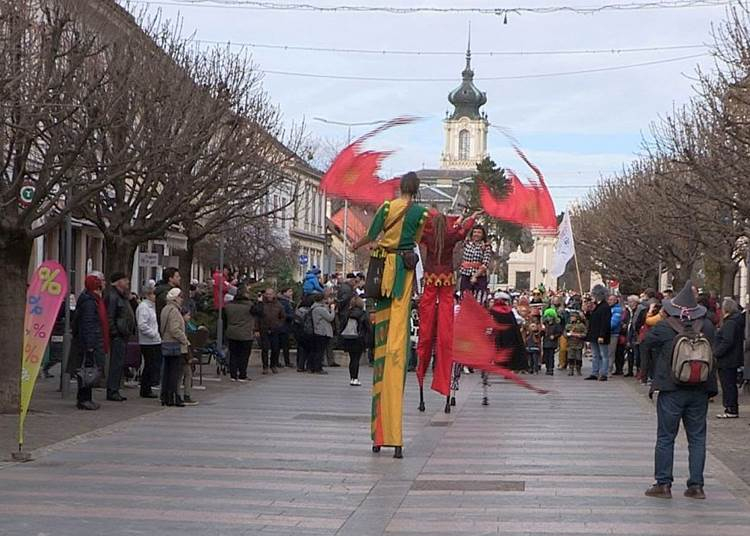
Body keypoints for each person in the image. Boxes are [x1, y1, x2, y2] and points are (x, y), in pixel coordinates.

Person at [352, 171, 428, 459]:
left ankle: (380, 433)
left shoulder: (386, 207)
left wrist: (357, 245)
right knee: (397, 343)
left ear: (400, 188)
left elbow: (372, 235)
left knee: (383, 347)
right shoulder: (420, 212)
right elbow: (416, 241)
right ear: (417, 189)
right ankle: (394, 435)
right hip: (403, 279)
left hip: (383, 274)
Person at [642, 280, 717, 500]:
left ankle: (663, 484)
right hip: (700, 388)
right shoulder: (708, 325)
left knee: (666, 436)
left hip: (671, 388)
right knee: (697, 437)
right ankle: (696, 486)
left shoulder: (665, 327)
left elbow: (645, 344)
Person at [417, 207, 477, 398]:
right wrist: (471, 219)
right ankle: (443, 374)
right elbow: (462, 230)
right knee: (445, 326)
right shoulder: (451, 236)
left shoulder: (427, 235)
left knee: (426, 326)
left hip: (430, 279)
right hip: (447, 279)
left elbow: (417, 231)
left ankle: (421, 368)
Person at [68, 275, 109, 410]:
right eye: (101, 282)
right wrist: (90, 346)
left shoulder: (93, 300)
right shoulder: (90, 302)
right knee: (87, 371)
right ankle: (84, 398)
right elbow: (88, 324)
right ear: (96, 286)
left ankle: (86, 398)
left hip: (91, 340)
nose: (104, 283)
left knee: (88, 370)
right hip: (88, 343)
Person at [105, 272, 135, 402]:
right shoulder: (113, 296)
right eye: (125, 280)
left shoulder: (122, 297)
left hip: (123, 333)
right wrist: (115, 332)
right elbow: (110, 316)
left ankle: (115, 388)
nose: (127, 282)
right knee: (116, 363)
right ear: (118, 282)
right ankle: (112, 390)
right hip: (118, 334)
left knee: (119, 362)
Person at [713, 298, 743, 419]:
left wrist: (717, 353)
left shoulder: (730, 323)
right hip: (732, 358)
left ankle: (730, 408)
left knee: (728, 384)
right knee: (729, 384)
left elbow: (727, 341)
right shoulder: (735, 321)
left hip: (727, 359)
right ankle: (731, 407)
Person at [160, 288, 190, 407]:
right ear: (175, 298)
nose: (182, 299)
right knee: (174, 372)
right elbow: (174, 329)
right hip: (174, 344)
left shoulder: (165, 309)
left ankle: (165, 396)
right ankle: (172, 396)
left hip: (166, 342)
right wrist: (185, 340)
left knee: (167, 371)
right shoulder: (174, 311)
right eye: (180, 296)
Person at [223, 288, 257, 382]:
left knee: (233, 354)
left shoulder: (228, 306)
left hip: (232, 332)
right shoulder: (250, 306)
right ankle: (242, 374)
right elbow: (260, 313)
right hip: (245, 334)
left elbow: (225, 319)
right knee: (244, 355)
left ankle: (233, 375)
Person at [489, 292, 527, 371]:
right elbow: (516, 322)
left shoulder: (494, 310)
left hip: (499, 334)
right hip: (510, 335)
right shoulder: (509, 311)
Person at [135, 282, 161, 399]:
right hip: (148, 341)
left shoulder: (152, 306)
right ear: (149, 294)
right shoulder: (144, 307)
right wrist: (154, 334)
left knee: (152, 364)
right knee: (149, 364)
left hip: (154, 341)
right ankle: (145, 388)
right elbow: (142, 325)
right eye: (154, 294)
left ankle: (148, 386)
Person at [341, 295, 371, 386]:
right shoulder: (363, 314)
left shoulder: (347, 313)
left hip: (348, 337)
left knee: (352, 358)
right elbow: (368, 327)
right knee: (356, 359)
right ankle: (355, 378)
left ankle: (352, 377)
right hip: (359, 338)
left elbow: (342, 325)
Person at [459, 224, 492, 305]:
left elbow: (485, 264)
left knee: (479, 299)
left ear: (482, 234)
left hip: (479, 275)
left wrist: (475, 276)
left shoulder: (486, 247)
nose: (476, 234)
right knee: (465, 298)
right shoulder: (466, 243)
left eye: (479, 232)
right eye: (475, 232)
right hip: (465, 273)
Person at [585, 284, 612, 382]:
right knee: (595, 354)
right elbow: (592, 319)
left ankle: (603, 373)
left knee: (603, 355)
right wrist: (588, 312)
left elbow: (605, 323)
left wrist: (602, 335)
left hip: (601, 334)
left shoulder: (605, 307)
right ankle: (594, 372)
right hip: (594, 334)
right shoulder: (597, 306)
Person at [257, 288, 285, 374]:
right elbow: (257, 317)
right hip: (264, 329)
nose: (269, 296)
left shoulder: (278, 305)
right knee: (265, 349)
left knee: (275, 348)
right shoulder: (261, 304)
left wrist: (279, 325)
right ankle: (265, 367)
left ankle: (273, 365)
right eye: (267, 294)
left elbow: (282, 317)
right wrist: (256, 329)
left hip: (275, 329)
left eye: (270, 294)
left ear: (274, 295)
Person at [310, 293, 335, 374]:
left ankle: (313, 367)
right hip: (322, 332)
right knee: (320, 351)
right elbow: (330, 317)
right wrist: (332, 309)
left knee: (317, 350)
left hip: (317, 331)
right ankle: (318, 368)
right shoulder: (320, 309)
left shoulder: (314, 307)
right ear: (322, 299)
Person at [277, 287, 295, 368]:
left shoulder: (287, 302)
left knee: (281, 346)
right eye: (289, 291)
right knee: (284, 345)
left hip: (283, 326)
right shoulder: (284, 303)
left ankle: (279, 362)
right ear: (284, 293)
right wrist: (291, 316)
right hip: (283, 326)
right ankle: (285, 362)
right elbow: (283, 314)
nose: (291, 293)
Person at [541, 307, 562, 375]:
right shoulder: (545, 324)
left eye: (550, 316)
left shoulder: (556, 325)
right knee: (546, 356)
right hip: (546, 341)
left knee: (551, 356)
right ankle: (547, 368)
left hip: (552, 342)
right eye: (547, 316)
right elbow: (541, 333)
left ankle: (551, 369)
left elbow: (559, 332)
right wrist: (542, 331)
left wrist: (554, 336)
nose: (548, 317)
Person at [566, 311, 587, 376]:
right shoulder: (568, 325)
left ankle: (578, 369)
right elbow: (565, 333)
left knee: (578, 357)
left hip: (578, 343)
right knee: (570, 357)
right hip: (570, 343)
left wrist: (579, 335)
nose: (572, 318)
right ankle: (571, 369)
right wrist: (567, 334)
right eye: (571, 317)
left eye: (573, 317)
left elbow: (585, 333)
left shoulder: (581, 325)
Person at [608, 295, 624, 375]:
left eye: (611, 300)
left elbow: (614, 322)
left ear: (615, 301)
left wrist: (605, 328)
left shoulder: (617, 310)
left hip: (613, 333)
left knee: (611, 352)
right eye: (609, 299)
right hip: (607, 333)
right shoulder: (608, 309)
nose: (609, 301)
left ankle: (609, 369)